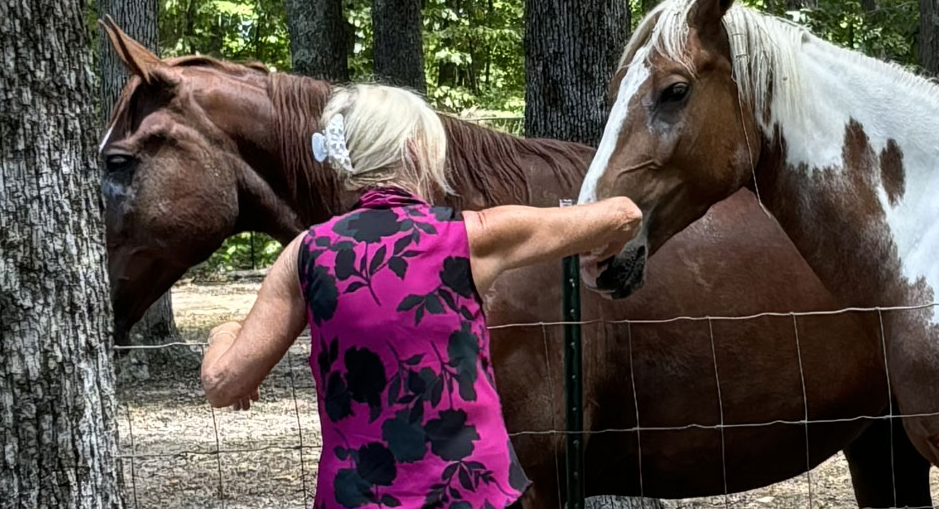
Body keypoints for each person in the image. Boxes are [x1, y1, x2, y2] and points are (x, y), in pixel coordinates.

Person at [199, 84, 642, 509]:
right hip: (472, 495)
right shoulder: (470, 237)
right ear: (413, 150)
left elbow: (222, 384)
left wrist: (227, 330)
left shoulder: (307, 254)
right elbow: (623, 214)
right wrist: (598, 248)